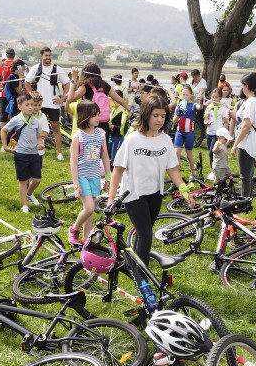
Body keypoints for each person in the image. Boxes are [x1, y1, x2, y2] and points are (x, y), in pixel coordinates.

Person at [108, 94, 190, 266]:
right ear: (146, 114)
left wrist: (184, 190)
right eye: (155, 116)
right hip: (134, 194)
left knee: (142, 233)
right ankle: (142, 278)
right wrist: (112, 199)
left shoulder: (166, 140)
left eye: (163, 116)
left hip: (155, 194)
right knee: (145, 235)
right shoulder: (132, 140)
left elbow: (173, 169)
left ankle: (134, 269)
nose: (159, 120)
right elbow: (117, 170)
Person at [69, 101, 111, 245]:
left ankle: (86, 238)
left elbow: (105, 155)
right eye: (94, 115)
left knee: (90, 210)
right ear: (85, 116)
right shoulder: (78, 136)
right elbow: (73, 162)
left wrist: (108, 177)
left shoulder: (101, 133)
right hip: (82, 176)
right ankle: (74, 229)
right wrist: (76, 185)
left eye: (98, 114)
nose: (98, 118)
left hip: (95, 176)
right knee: (89, 207)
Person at [0, 93, 48, 213]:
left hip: (34, 154)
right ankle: (24, 205)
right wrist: (5, 146)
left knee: (37, 179)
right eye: (27, 105)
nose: (31, 107)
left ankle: (29, 193)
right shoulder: (16, 120)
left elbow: (38, 135)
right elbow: (4, 130)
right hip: (21, 154)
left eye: (32, 104)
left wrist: (40, 143)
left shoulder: (36, 121)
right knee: (23, 181)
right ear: (20, 106)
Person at [26, 46, 70, 161]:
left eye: (50, 55)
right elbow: (27, 82)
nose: (48, 58)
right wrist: (32, 96)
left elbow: (68, 84)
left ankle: (59, 152)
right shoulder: (36, 68)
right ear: (41, 56)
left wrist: (62, 99)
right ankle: (38, 149)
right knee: (37, 126)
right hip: (39, 105)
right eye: (46, 55)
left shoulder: (58, 69)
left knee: (56, 128)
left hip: (53, 104)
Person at [66, 62, 128, 139]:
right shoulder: (105, 85)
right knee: (103, 149)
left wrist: (73, 78)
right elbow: (121, 100)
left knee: (90, 149)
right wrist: (129, 109)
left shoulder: (85, 85)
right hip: (104, 124)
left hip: (90, 124)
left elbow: (71, 98)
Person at [230, 72, 256, 198]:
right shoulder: (254, 101)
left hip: (247, 143)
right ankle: (247, 201)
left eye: (242, 85)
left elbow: (246, 125)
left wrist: (235, 144)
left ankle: (245, 203)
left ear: (247, 85)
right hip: (249, 142)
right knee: (247, 176)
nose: (242, 88)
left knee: (245, 177)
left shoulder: (252, 101)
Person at [170, 84, 199, 181]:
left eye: (187, 95)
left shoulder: (193, 105)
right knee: (177, 152)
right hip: (180, 132)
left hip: (189, 133)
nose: (185, 97)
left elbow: (199, 107)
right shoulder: (179, 106)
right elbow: (174, 122)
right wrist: (178, 114)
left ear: (190, 96)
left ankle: (193, 173)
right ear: (181, 95)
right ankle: (176, 175)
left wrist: (202, 102)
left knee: (189, 154)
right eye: (184, 94)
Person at [203, 87, 230, 177]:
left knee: (212, 152)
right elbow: (205, 119)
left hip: (216, 134)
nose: (214, 99)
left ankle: (215, 171)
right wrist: (206, 122)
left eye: (216, 97)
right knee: (210, 153)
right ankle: (213, 170)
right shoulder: (209, 107)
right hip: (209, 133)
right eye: (212, 97)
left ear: (220, 98)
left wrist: (221, 132)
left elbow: (226, 123)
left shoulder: (222, 109)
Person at [0, 48, 17, 125]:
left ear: (6, 55)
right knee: (16, 115)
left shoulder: (1, 65)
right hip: (15, 93)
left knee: (3, 117)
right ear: (14, 55)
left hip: (4, 93)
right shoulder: (17, 65)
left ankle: (3, 135)